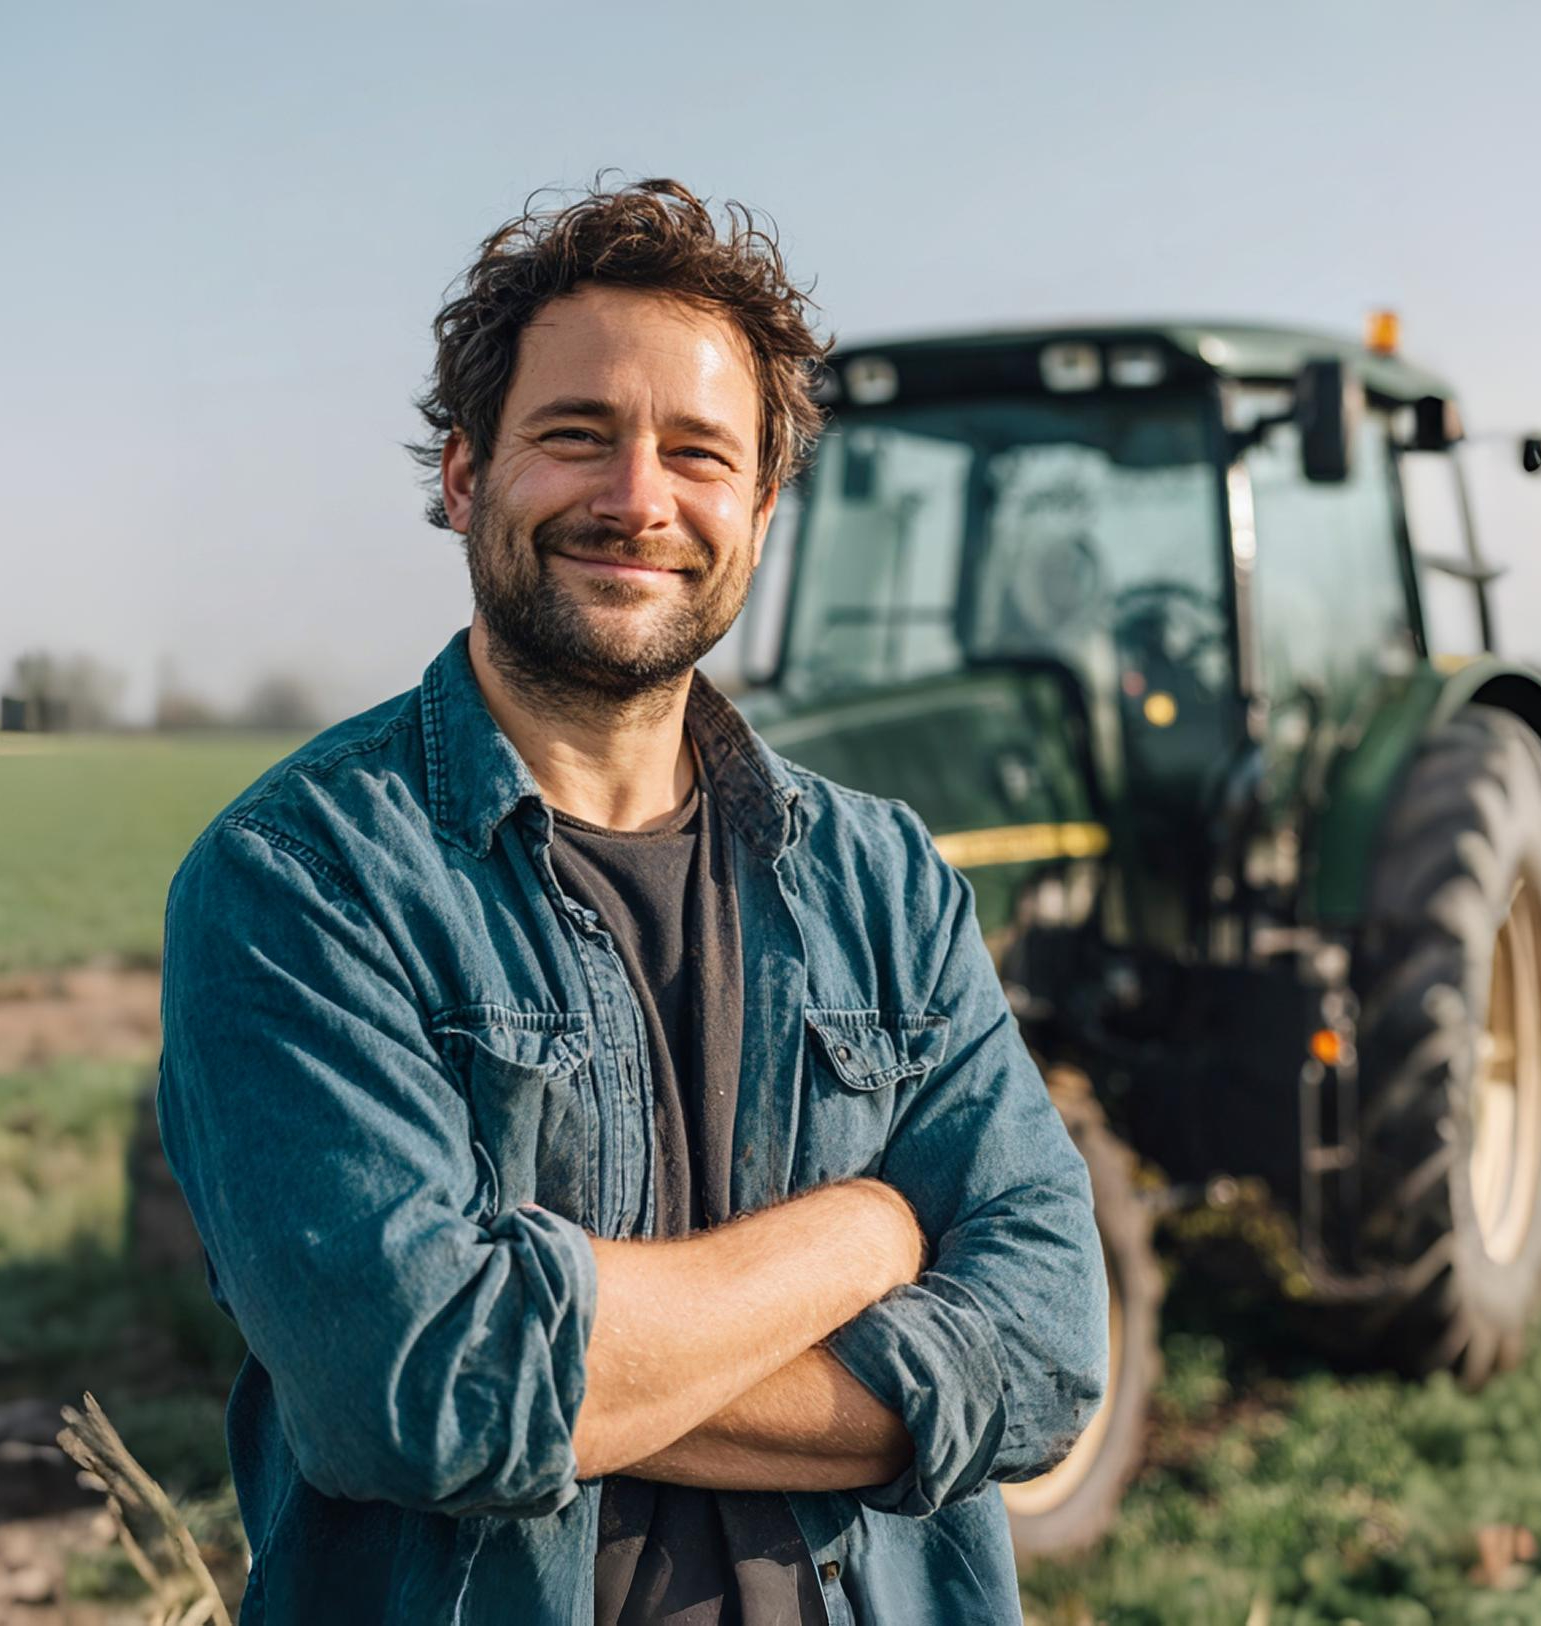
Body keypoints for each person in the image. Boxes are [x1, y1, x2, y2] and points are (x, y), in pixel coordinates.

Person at [156, 178, 1107, 1625]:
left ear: (763, 507)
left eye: (699, 453)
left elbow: (1047, 1345)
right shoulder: (303, 877)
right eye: (578, 435)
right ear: (468, 476)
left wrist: (580, 1372)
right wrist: (866, 1229)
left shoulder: (888, 881)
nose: (638, 498)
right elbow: (422, 1390)